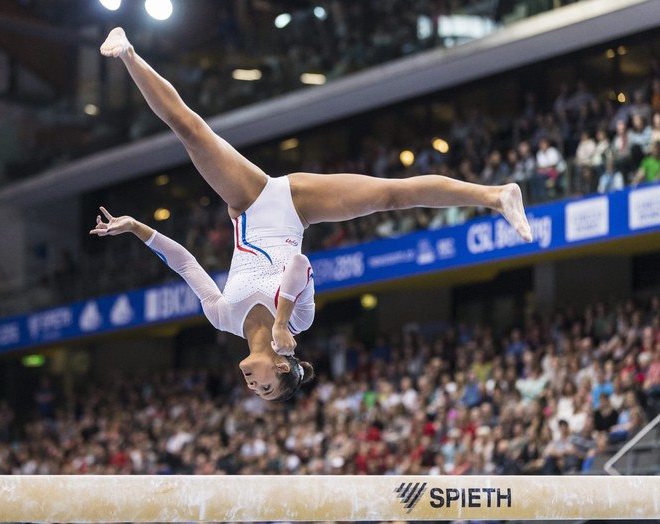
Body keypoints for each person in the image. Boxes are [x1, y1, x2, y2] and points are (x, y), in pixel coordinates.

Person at [91, 27, 533, 402]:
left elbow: (186, 263)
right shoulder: (300, 321)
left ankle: (128, 53)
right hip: (296, 207)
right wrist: (281, 322)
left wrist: (136, 228)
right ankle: (496, 196)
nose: (251, 387)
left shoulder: (222, 317)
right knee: (392, 196)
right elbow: (300, 265)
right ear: (281, 370)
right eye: (265, 390)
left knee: (190, 131)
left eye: (255, 393)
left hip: (249, 202)